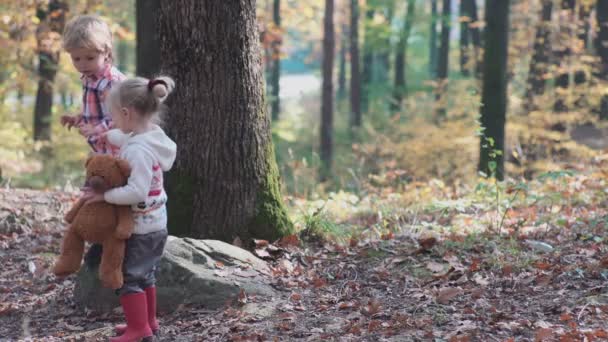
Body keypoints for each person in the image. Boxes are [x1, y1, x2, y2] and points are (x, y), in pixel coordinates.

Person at [83, 76, 176, 341]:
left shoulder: (137, 151)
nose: (113, 122)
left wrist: (106, 197)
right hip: (156, 223)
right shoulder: (152, 137)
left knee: (129, 277)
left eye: (113, 116)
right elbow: (124, 137)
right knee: (146, 275)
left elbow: (137, 191)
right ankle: (148, 322)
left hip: (141, 225)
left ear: (126, 113)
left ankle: (139, 330)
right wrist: (107, 135)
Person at [59, 14, 127, 268]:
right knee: (98, 194)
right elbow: (94, 111)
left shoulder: (112, 83)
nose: (82, 64)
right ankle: (95, 239)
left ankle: (115, 241)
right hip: (101, 153)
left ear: (106, 53)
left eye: (89, 58)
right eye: (76, 58)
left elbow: (122, 118)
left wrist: (94, 129)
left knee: (112, 196)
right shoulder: (90, 79)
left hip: (117, 153)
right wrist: (78, 118)